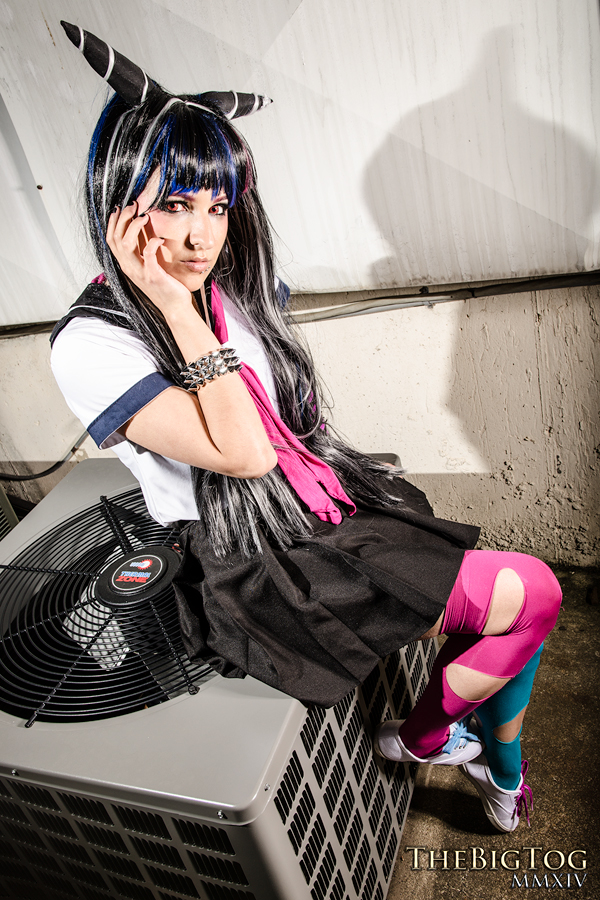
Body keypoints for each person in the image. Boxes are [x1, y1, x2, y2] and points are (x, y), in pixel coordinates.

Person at [51, 22, 562, 834]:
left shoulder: (232, 286)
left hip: (311, 507)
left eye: (218, 205)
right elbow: (244, 453)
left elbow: (292, 421)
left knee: (522, 612)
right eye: (175, 204)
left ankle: (489, 765)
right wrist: (177, 312)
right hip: (251, 559)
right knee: (533, 596)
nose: (201, 235)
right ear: (118, 201)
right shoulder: (93, 341)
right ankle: (432, 742)